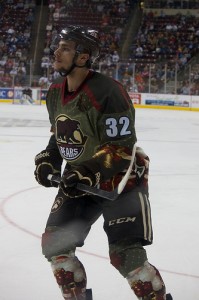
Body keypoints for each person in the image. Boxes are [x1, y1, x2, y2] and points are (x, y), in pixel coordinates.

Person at [34, 26, 173, 300]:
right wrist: (50, 158)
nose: (56, 52)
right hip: (81, 177)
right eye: (57, 46)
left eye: (65, 48)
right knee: (56, 246)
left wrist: (84, 172)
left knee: (126, 255)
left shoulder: (108, 91)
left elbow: (121, 149)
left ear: (83, 57)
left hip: (121, 179)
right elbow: (60, 137)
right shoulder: (54, 93)